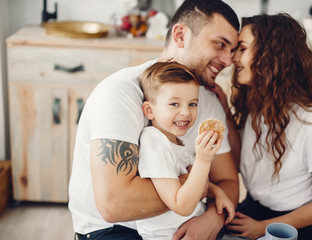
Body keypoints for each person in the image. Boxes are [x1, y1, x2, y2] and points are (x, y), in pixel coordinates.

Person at [68, 0, 240, 239]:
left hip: (190, 220)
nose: (228, 60)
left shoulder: (208, 100)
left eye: (232, 50)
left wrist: (213, 218)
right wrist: (199, 183)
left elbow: (228, 180)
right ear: (180, 35)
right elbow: (115, 205)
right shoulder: (120, 93)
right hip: (116, 230)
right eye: (220, 44)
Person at [212, 13, 312, 240]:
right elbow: (239, 163)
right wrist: (223, 109)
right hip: (254, 209)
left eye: (242, 49)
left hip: (297, 222)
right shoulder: (259, 104)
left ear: (271, 55)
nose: (233, 59)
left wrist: (263, 227)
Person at [136, 61, 235, 239]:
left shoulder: (177, 141)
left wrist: (217, 192)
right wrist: (203, 161)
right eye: (174, 104)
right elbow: (181, 205)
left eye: (192, 104)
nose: (186, 113)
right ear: (149, 111)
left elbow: (190, 181)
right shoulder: (154, 142)